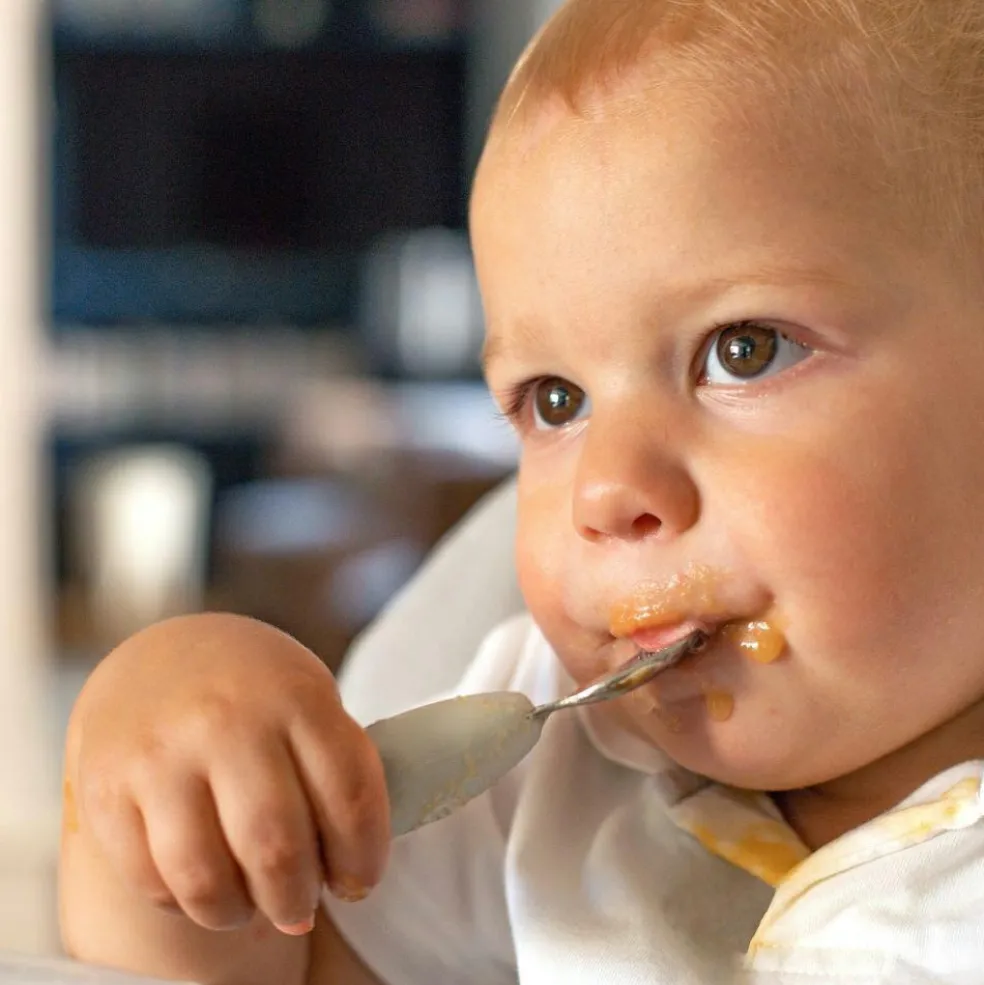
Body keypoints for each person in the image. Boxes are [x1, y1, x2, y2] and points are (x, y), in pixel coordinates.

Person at [59, 0, 984, 981]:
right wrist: (169, 794)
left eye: (744, 351)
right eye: (555, 401)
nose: (607, 487)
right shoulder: (542, 763)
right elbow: (263, 966)